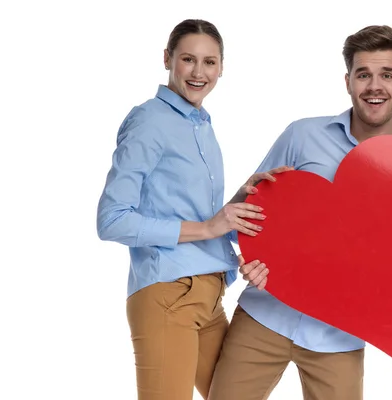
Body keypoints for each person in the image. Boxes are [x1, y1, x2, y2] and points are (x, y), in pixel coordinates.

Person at [208, 25, 392, 400]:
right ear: (348, 81)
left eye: (387, 74)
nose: (374, 86)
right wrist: (253, 255)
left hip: (339, 338)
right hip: (264, 314)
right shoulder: (301, 135)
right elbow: (249, 214)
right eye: (363, 74)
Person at [96, 19, 289, 400]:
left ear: (221, 67)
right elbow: (111, 219)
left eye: (210, 62)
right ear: (168, 59)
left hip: (209, 294)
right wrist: (206, 228)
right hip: (168, 295)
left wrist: (243, 200)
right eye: (188, 59)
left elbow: (204, 217)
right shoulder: (150, 120)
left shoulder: (200, 124)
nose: (199, 73)